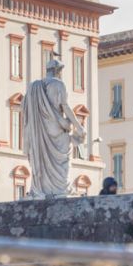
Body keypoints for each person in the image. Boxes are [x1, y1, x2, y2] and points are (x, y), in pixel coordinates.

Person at [23, 58, 86, 198]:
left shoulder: (33, 88)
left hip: (40, 131)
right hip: (56, 129)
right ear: (58, 71)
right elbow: (65, 107)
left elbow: (26, 113)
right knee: (63, 158)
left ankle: (44, 189)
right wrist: (78, 126)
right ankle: (61, 189)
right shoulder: (58, 84)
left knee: (43, 159)